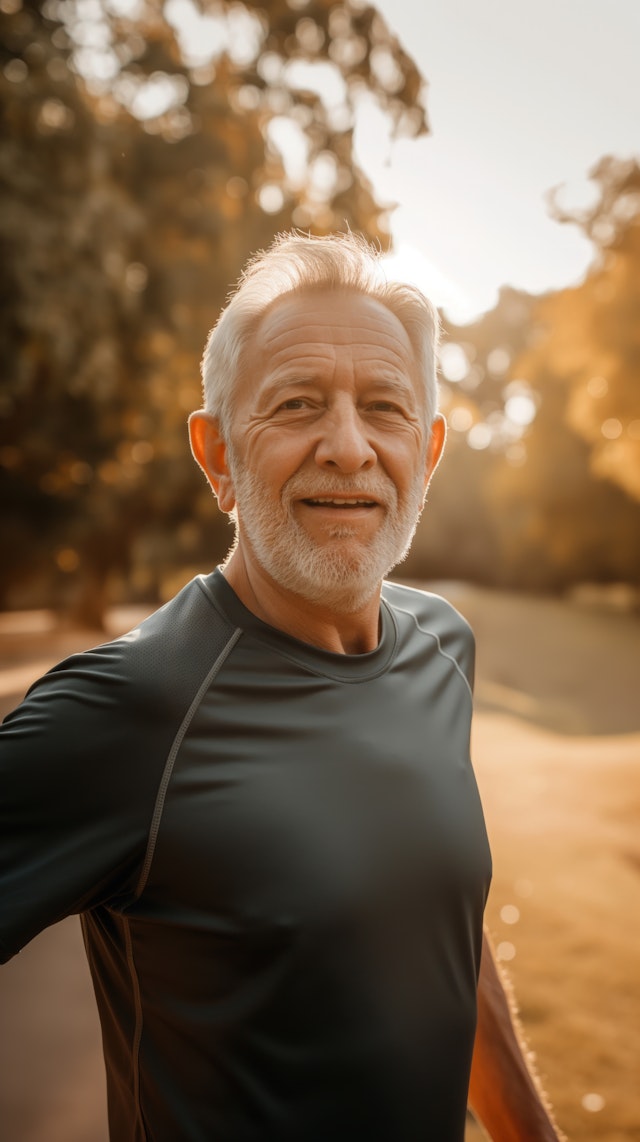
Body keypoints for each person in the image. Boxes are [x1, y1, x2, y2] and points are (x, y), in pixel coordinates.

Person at [0, 232, 565, 1142]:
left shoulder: (443, 648)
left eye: (383, 408)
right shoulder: (131, 711)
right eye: (298, 404)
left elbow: (440, 931)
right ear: (217, 454)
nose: (348, 447)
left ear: (426, 451)